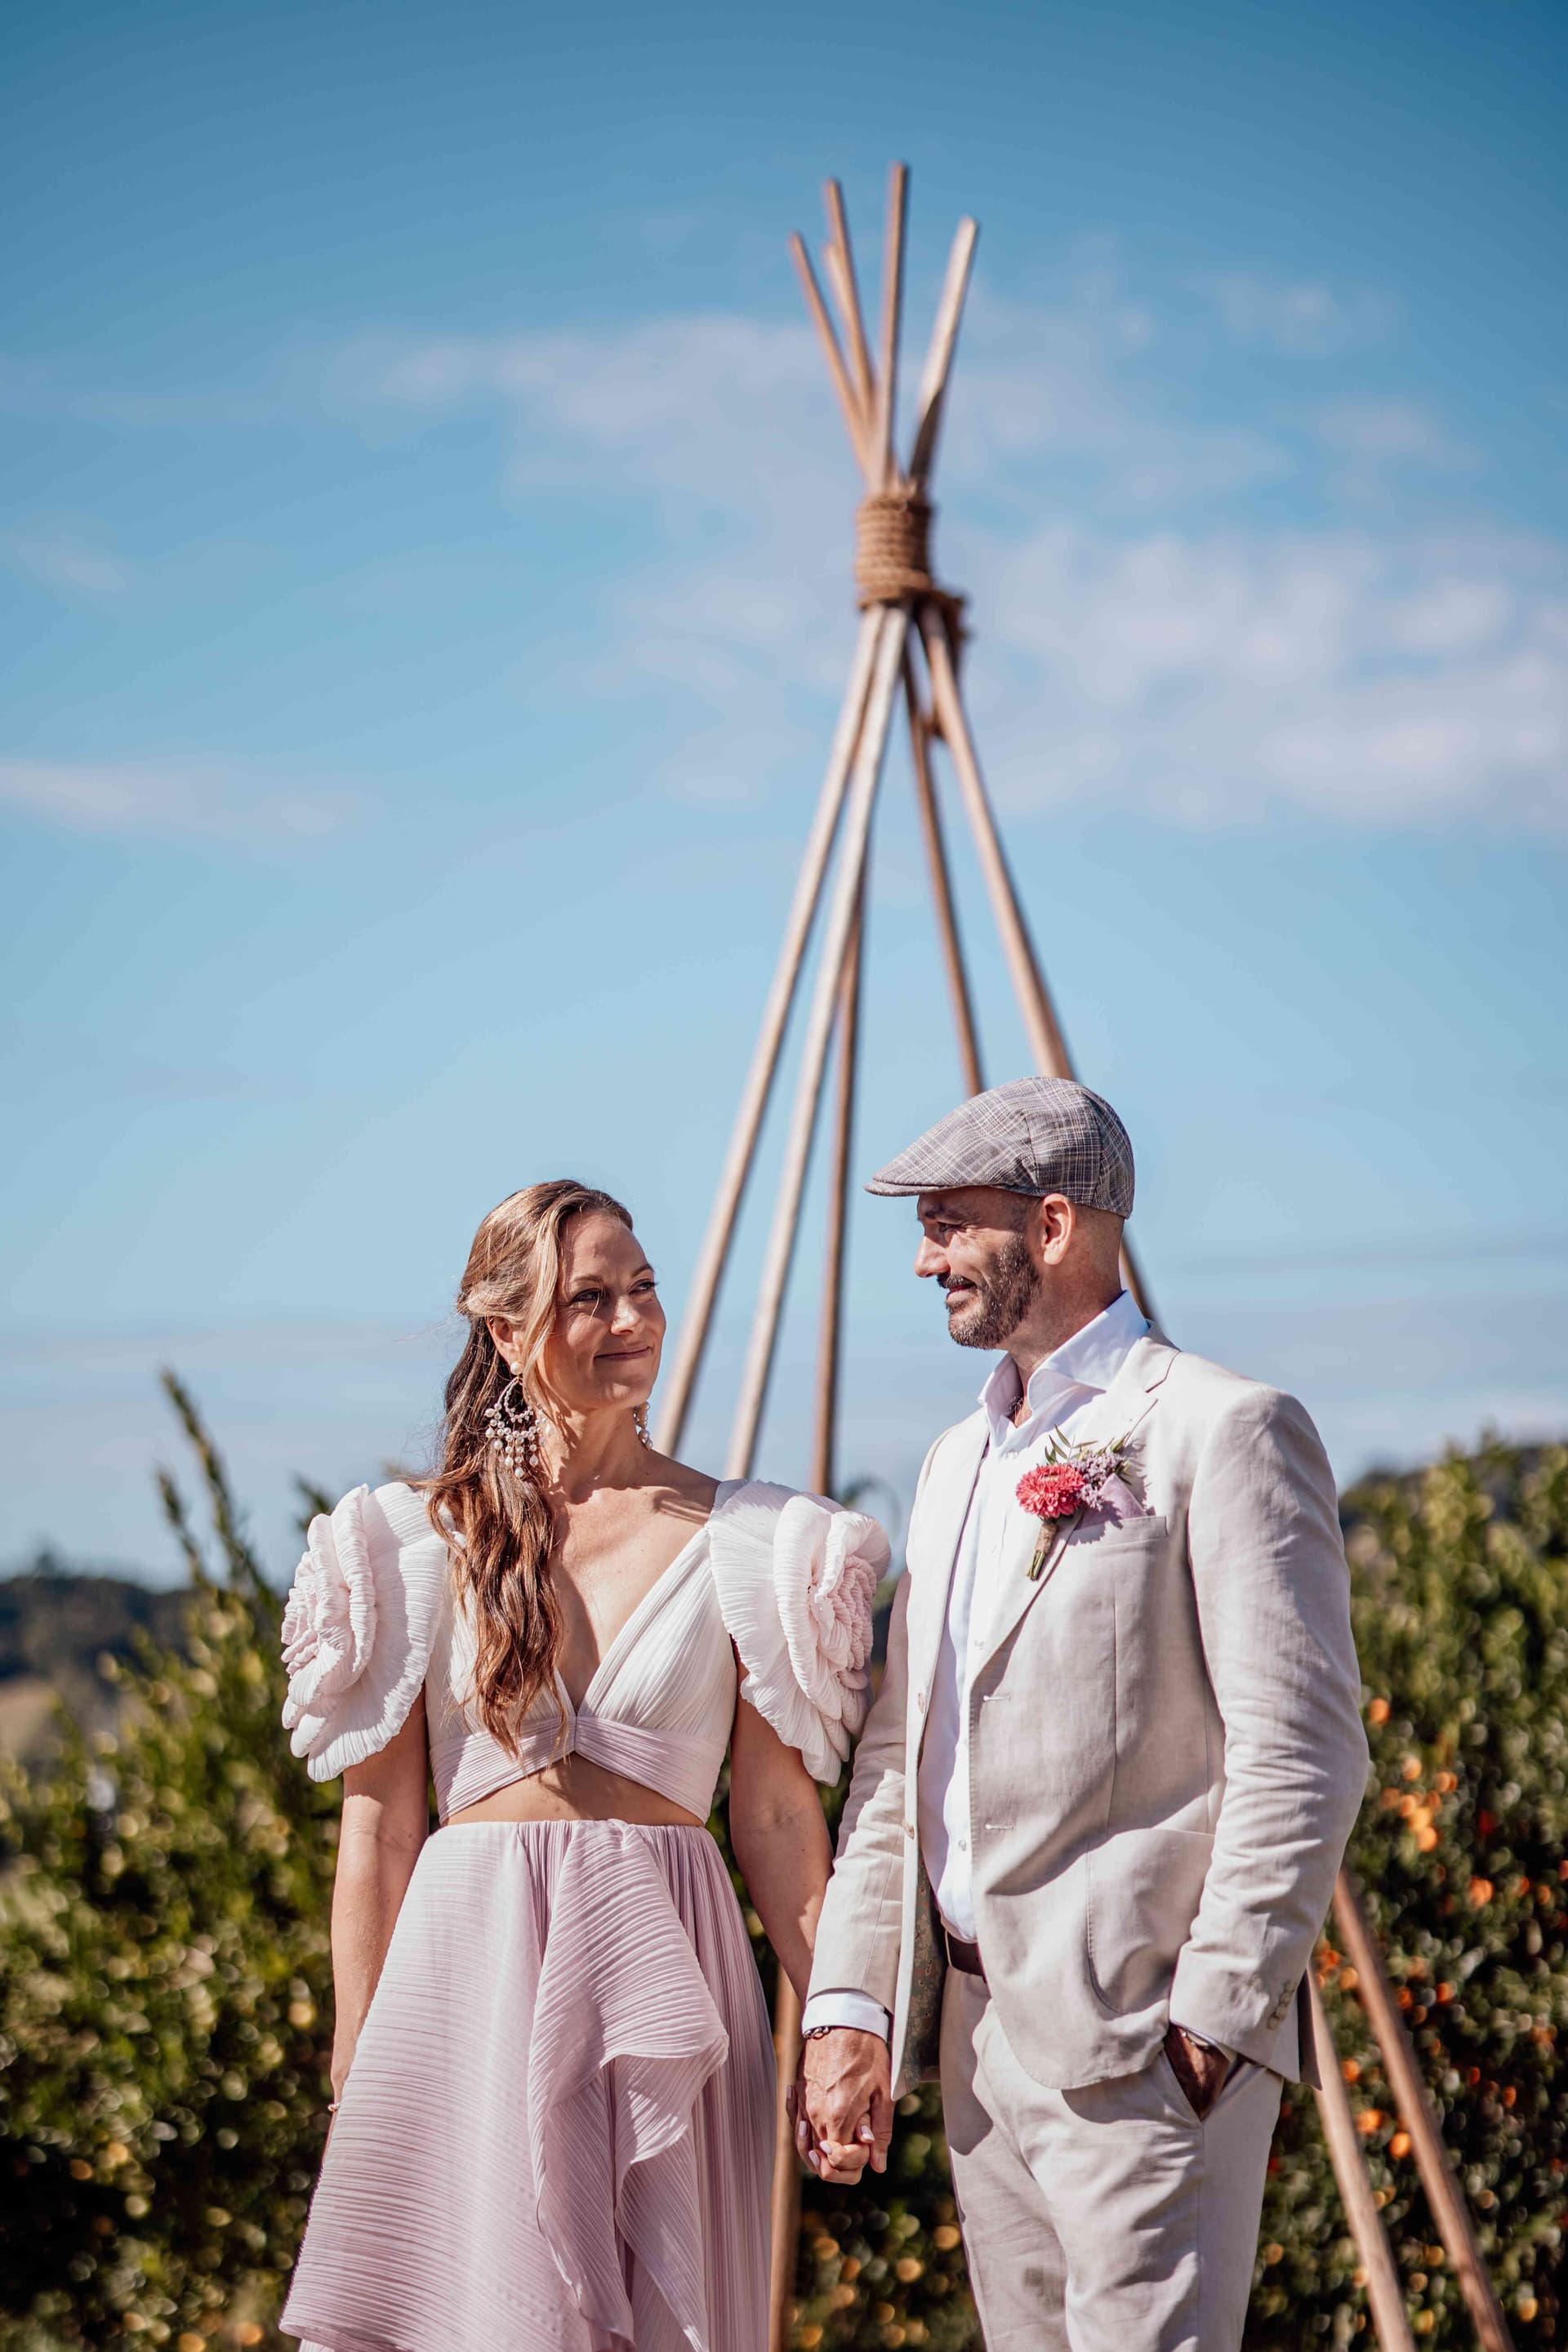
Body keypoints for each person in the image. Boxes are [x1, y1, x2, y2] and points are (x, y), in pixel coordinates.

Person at [796, 1078, 1370, 2352]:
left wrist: (1213, 2023)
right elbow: (898, 1761)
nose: (926, 1261)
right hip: (978, 2055)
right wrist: (852, 2003)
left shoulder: (1223, 1428)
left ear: (1052, 1226)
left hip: (1147, 2050)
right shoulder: (954, 1463)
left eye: (949, 1226)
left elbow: (1303, 1751)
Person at [277, 1179, 888, 2352]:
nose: (632, 1320)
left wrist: (836, 2026)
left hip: (673, 1982)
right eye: (590, 1298)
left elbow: (773, 1818)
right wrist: (361, 2065)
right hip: (468, 1987)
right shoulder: (407, 1544)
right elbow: (381, 1832)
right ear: (507, 1331)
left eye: (643, 1289)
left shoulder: (759, 1543)